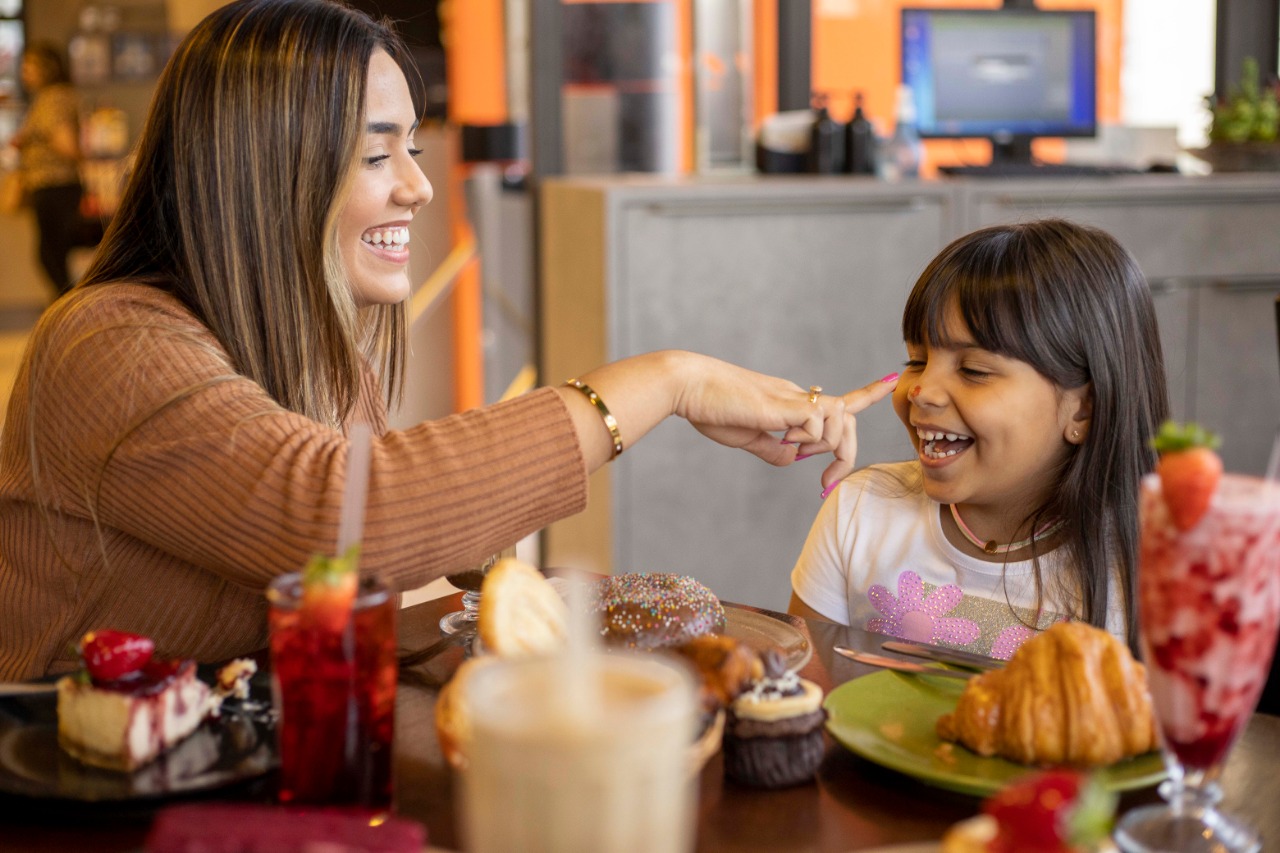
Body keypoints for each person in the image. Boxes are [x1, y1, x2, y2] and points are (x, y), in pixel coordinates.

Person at [0, 0, 896, 681]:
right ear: (268, 168)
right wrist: (668, 380)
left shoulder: (305, 348)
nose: (419, 190)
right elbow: (355, 522)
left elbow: (370, 557)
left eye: (414, 150)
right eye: (379, 153)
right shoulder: (110, 343)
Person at [789, 219, 1169, 658]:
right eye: (916, 360)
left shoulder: (1152, 568)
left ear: (1082, 408)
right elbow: (802, 692)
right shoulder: (859, 512)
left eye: (973, 370)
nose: (921, 391)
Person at [6, 41, 103, 295]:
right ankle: (69, 305)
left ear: (46, 68)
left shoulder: (52, 97)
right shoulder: (57, 96)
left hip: (54, 184)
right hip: (57, 184)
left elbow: (64, 141)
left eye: (30, 66)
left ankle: (69, 306)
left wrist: (83, 160)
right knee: (56, 252)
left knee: (51, 254)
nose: (24, 71)